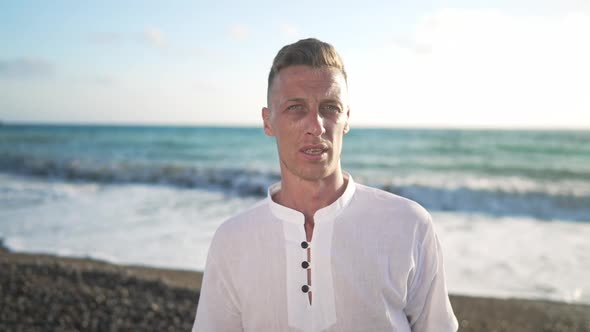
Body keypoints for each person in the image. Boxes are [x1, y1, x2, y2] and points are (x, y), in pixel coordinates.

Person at [192, 38, 458, 332]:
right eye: (296, 108)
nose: (316, 126)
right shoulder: (233, 240)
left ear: (346, 118)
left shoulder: (409, 225)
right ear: (268, 122)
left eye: (330, 107)